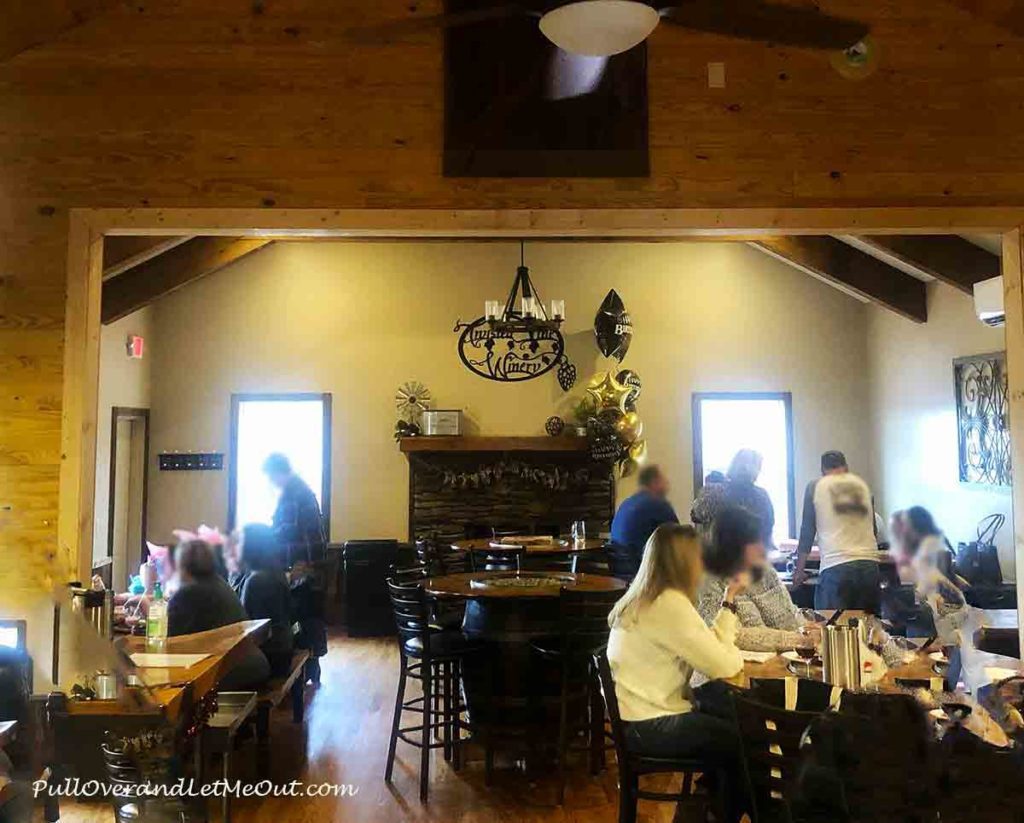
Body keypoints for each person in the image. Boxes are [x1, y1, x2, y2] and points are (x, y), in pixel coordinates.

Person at [607, 523, 749, 822]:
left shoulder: (646, 597)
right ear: (684, 561)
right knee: (743, 738)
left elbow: (710, 649)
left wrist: (729, 600)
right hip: (651, 726)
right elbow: (725, 665)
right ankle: (730, 811)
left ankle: (702, 808)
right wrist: (733, 654)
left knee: (722, 703)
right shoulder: (669, 605)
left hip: (635, 718)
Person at [697, 505, 815, 652]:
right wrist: (795, 639)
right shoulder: (710, 581)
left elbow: (790, 614)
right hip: (735, 671)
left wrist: (807, 626)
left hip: (779, 664)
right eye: (755, 542)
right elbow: (734, 636)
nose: (762, 547)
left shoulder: (765, 572)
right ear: (733, 544)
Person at [168, 540, 270, 688]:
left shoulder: (188, 592)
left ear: (181, 565)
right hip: (252, 664)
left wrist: (149, 610)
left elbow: (170, 644)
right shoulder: (219, 583)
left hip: (232, 671)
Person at [793, 451, 881, 613]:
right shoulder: (862, 487)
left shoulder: (816, 487)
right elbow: (873, 530)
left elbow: (807, 531)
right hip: (869, 567)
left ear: (822, 470)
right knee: (868, 630)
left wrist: (799, 571)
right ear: (846, 468)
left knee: (832, 628)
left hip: (837, 568)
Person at [234, 524, 295, 677]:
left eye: (240, 542)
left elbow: (250, 628)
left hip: (270, 657)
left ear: (250, 547)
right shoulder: (274, 571)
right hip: (282, 651)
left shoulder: (258, 580)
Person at [263, 453, 327, 568]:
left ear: (279, 472)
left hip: (302, 560)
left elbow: (289, 529)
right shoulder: (299, 488)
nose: (271, 481)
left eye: (271, 476)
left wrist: (264, 536)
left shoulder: (292, 493)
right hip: (312, 556)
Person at [609, 464, 679, 564]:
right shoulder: (658, 503)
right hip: (642, 570)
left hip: (619, 570)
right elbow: (679, 539)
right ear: (654, 482)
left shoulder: (626, 503)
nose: (667, 484)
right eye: (663, 480)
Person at [722, 449, 776, 550]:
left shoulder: (720, 493)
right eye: (758, 467)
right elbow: (768, 527)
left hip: (725, 555)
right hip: (755, 554)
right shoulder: (761, 496)